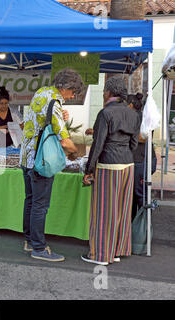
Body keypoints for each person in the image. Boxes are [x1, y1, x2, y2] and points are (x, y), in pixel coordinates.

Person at [20, 68, 81, 262]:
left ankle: (29, 241)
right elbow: (64, 140)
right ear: (66, 88)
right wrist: (75, 152)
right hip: (42, 160)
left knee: (30, 200)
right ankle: (39, 247)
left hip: (27, 156)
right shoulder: (54, 103)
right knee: (40, 205)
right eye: (73, 92)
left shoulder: (41, 93)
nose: (72, 97)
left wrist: (60, 117)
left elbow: (41, 121)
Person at [81, 76, 141, 266]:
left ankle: (99, 254)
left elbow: (97, 145)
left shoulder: (105, 113)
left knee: (104, 211)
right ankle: (116, 251)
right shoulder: (133, 114)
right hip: (127, 165)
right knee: (122, 209)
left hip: (108, 165)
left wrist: (88, 169)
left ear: (109, 92)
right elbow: (133, 144)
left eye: (105, 90)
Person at [126, 93, 157, 221]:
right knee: (132, 195)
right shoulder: (135, 117)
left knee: (140, 195)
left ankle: (143, 226)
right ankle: (133, 226)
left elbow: (143, 138)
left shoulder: (141, 118)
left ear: (131, 105)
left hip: (141, 160)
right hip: (138, 160)